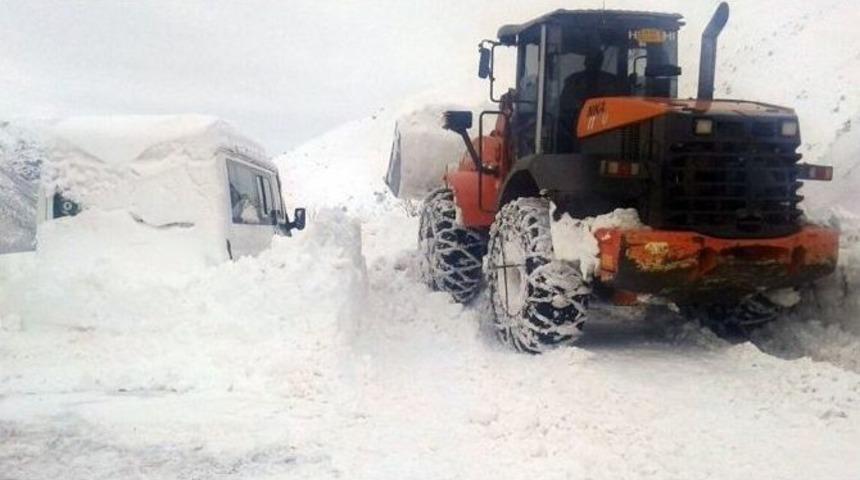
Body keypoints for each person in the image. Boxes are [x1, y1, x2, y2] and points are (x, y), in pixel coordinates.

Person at [557, 49, 623, 152]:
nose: (592, 62)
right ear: (586, 61)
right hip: (576, 124)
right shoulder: (574, 81)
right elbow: (566, 103)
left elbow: (617, 104)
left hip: (607, 126)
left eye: (596, 59)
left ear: (600, 62)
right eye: (591, 59)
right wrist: (583, 109)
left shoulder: (611, 81)